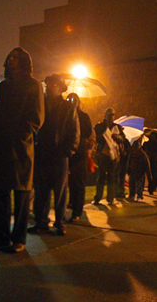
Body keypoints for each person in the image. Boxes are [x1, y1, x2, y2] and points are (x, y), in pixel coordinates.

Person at [0, 47, 44, 253]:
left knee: (21, 195)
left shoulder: (34, 86)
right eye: (9, 57)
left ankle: (19, 239)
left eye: (16, 57)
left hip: (20, 148)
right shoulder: (3, 86)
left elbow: (36, 118)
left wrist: (20, 134)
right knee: (0, 194)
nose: (11, 59)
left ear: (25, 61)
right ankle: (1, 238)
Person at [29, 74, 80, 236]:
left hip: (59, 155)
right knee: (41, 191)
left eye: (54, 85)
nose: (50, 87)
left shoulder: (67, 107)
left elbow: (74, 132)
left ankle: (60, 223)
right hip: (42, 153)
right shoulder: (39, 104)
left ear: (60, 88)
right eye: (48, 84)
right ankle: (41, 222)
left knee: (60, 193)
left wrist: (67, 151)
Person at [66, 93, 94, 223]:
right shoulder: (67, 115)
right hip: (71, 151)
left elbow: (88, 132)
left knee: (78, 181)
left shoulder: (82, 116)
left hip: (79, 151)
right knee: (72, 181)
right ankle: (73, 204)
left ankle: (77, 209)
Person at [93, 108, 125, 205]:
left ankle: (110, 198)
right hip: (103, 154)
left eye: (112, 115)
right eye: (109, 115)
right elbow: (94, 137)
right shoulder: (99, 126)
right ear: (105, 115)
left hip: (113, 155)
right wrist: (103, 137)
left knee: (111, 177)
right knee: (101, 176)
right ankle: (98, 197)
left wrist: (116, 137)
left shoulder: (117, 127)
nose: (111, 117)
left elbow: (123, 138)